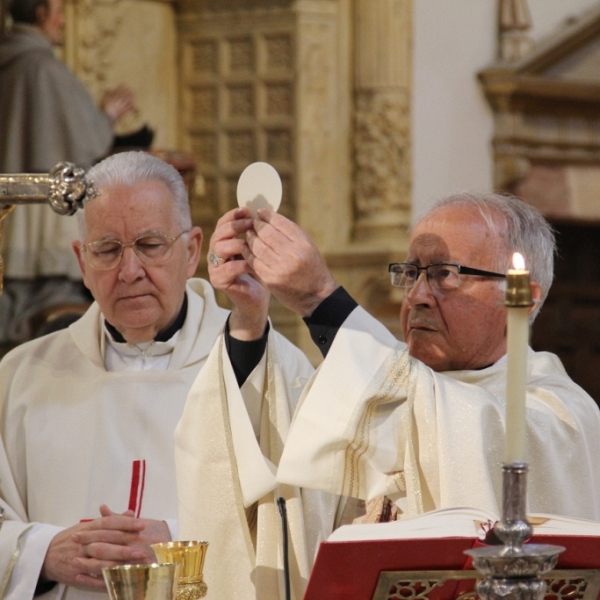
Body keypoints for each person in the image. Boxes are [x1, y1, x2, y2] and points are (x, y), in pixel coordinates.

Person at [0, 151, 313, 600]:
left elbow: (306, 521)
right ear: (81, 261)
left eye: (150, 245)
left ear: (191, 251)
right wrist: (42, 553)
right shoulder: (21, 379)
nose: (130, 272)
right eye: (107, 250)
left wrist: (179, 550)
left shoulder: (268, 368)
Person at [186, 192, 600, 529]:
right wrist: (249, 318)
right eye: (411, 273)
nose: (418, 295)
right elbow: (273, 480)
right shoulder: (372, 390)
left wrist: (319, 299)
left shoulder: (559, 417)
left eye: (444, 274)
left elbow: (456, 420)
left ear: (521, 298)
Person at [0, 0, 137, 344]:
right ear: (43, 14)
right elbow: (82, 140)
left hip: (8, 211)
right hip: (42, 209)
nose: (63, 21)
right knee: (46, 309)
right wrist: (106, 115)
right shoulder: (42, 68)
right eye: (60, 11)